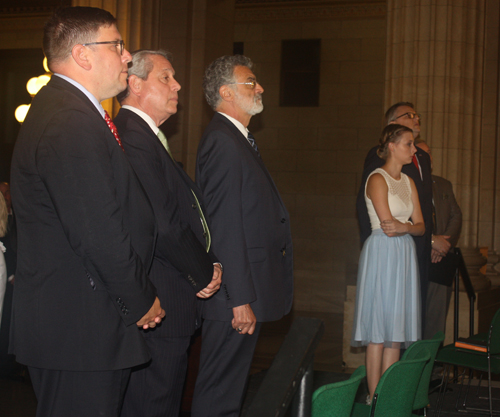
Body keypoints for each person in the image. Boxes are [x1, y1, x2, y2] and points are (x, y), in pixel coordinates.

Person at [10, 7, 165, 416]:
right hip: (77, 326)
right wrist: (140, 296)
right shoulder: (68, 120)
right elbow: (97, 229)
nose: (127, 55)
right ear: (82, 55)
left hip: (83, 322)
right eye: (117, 45)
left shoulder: (75, 112)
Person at [114, 49, 222, 417]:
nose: (177, 86)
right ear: (135, 83)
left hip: (171, 291)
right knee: (153, 403)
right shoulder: (132, 135)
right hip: (160, 294)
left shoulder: (148, 135)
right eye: (166, 77)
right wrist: (204, 271)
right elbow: (162, 221)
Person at [193, 55, 294, 417]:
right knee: (220, 394)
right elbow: (224, 226)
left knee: (230, 393)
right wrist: (239, 299)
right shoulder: (223, 142)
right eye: (251, 82)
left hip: (241, 292)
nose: (261, 87)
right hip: (234, 299)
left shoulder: (237, 139)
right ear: (226, 93)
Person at [351, 124, 424, 402]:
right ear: (392, 146)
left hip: (403, 253)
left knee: (395, 330)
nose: (413, 149)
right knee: (378, 331)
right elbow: (387, 225)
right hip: (382, 251)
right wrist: (407, 227)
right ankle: (374, 396)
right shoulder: (377, 179)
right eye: (409, 144)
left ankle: (389, 397)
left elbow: (420, 226)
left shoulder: (409, 182)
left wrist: (406, 227)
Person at [356, 102, 433, 330]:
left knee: (410, 316)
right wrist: (372, 242)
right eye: (409, 115)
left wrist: (428, 236)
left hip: (414, 246)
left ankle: (407, 365)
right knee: (386, 318)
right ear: (392, 126)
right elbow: (365, 205)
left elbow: (425, 208)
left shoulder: (423, 159)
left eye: (417, 114)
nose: (416, 118)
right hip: (387, 245)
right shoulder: (377, 160)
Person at [416, 141, 462, 339]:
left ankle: (433, 366)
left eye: (430, 153)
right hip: (418, 257)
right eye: (423, 153)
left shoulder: (443, 184)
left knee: (436, 319)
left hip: (442, 259)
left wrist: (443, 245)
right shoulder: (407, 183)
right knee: (415, 317)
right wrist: (432, 241)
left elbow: (456, 216)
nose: (429, 157)